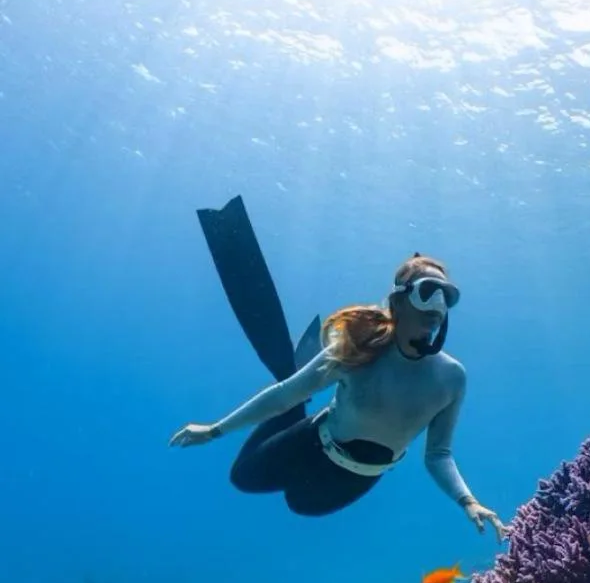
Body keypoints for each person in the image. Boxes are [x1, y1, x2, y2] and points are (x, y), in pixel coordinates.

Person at [170, 195, 504, 537]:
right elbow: (284, 395)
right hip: (314, 440)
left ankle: (306, 385)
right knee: (243, 477)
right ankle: (305, 384)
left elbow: (438, 454)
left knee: (300, 505)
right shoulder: (359, 348)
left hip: (362, 474)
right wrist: (214, 430)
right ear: (398, 302)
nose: (437, 305)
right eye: (429, 291)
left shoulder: (452, 379)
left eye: (446, 297)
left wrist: (468, 501)